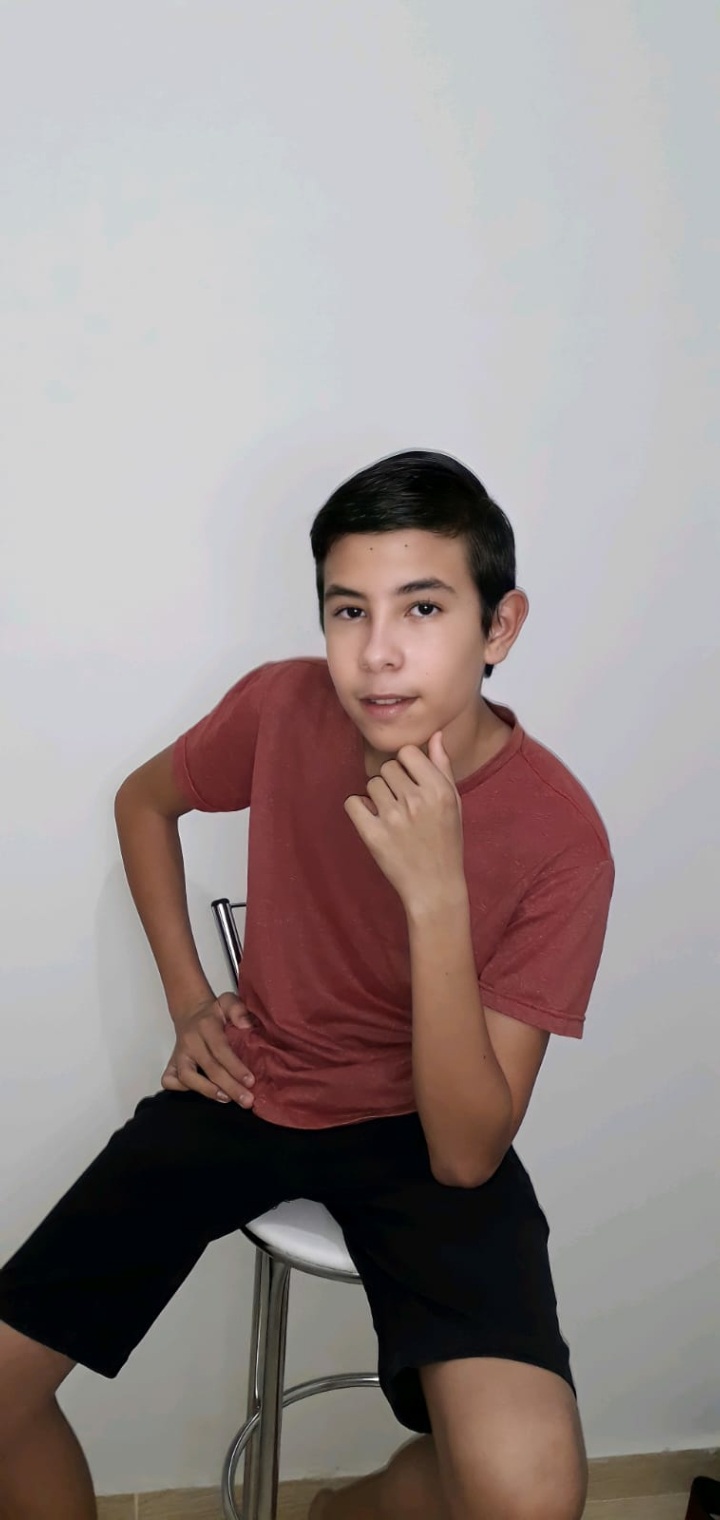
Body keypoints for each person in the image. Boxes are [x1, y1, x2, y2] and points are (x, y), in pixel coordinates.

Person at [0, 449, 614, 1520]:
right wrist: (191, 999)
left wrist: (436, 896)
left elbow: (465, 1152)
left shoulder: (563, 839)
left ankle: (344, 1511)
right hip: (254, 1085)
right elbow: (144, 802)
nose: (377, 653)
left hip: (426, 1125)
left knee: (528, 1493)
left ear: (499, 627)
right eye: (347, 610)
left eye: (423, 607)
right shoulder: (285, 705)